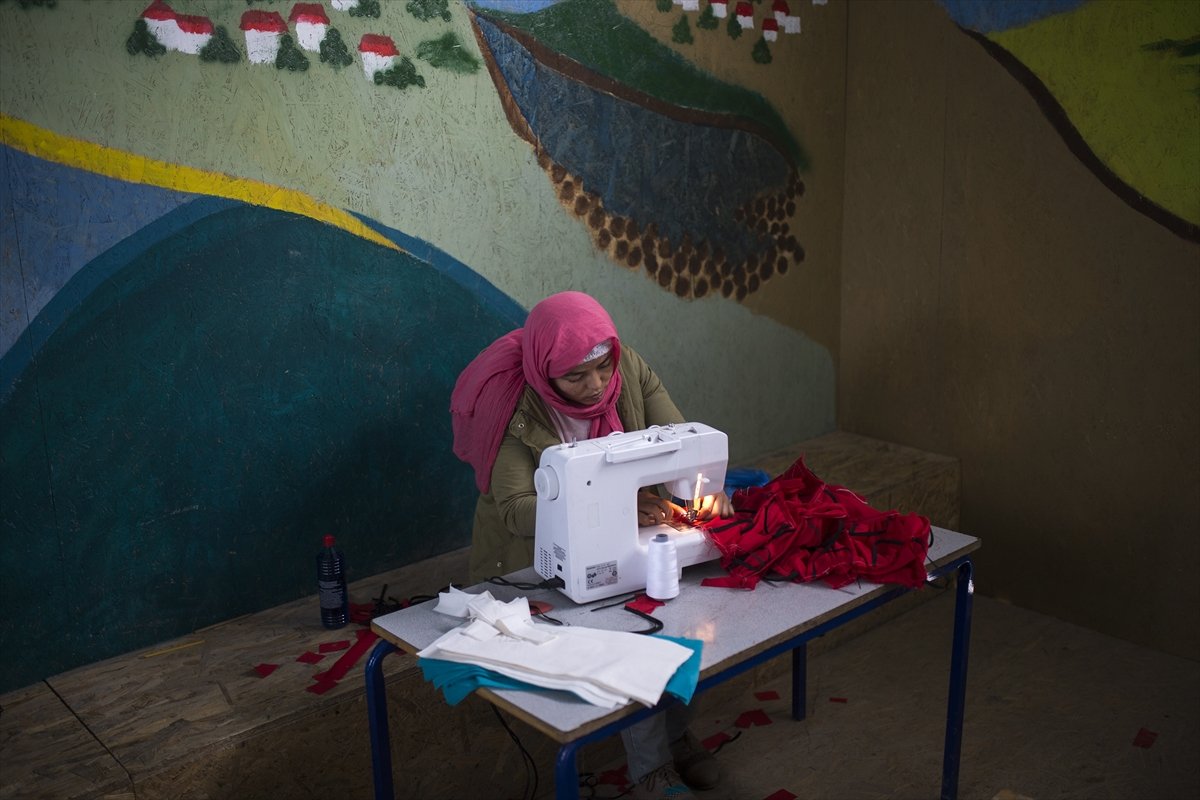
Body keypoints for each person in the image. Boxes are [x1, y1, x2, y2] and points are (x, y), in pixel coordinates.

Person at [450, 291, 731, 800]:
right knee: (629, 637)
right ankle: (651, 770)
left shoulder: (630, 373)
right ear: (544, 371)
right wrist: (621, 509)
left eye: (603, 367)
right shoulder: (514, 409)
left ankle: (675, 735)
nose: (596, 384)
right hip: (534, 560)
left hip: (625, 534)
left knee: (691, 621)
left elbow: (680, 442)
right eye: (575, 376)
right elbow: (516, 510)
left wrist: (704, 487)